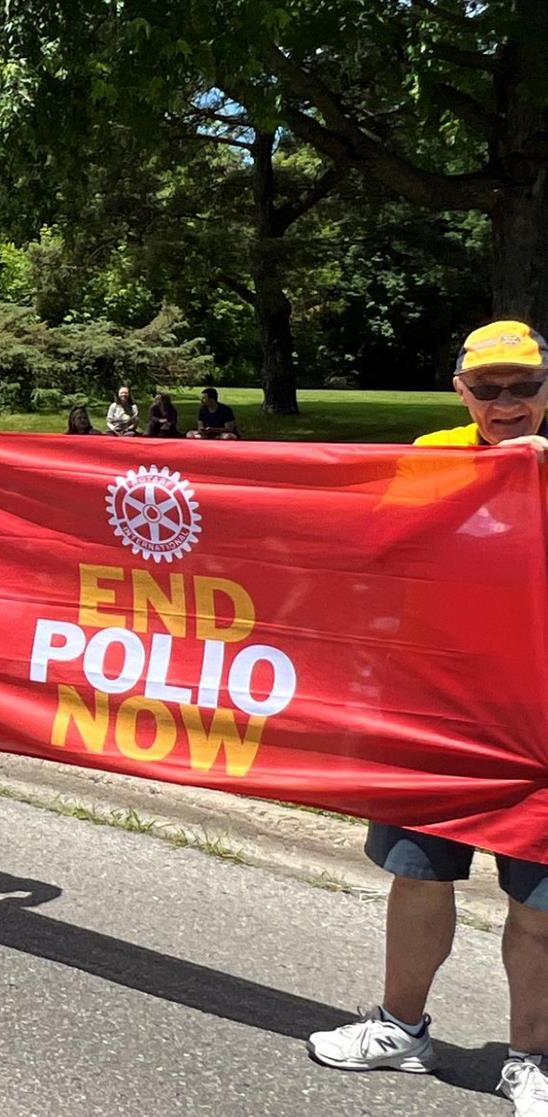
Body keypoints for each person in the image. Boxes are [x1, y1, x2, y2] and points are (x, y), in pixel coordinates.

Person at [307, 320, 548, 1116]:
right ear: (461, 390)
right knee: (417, 874)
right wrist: (484, 482)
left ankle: (532, 1060)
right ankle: (401, 1028)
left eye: (523, 386)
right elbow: (381, 548)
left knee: (540, 902)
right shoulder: (431, 454)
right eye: (489, 387)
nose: (505, 403)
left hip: (539, 723)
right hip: (437, 706)